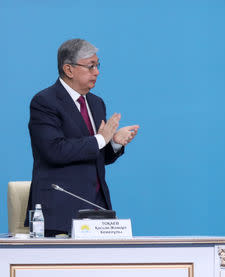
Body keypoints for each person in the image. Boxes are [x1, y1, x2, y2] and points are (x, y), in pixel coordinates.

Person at [26, 39, 139, 236]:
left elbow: (96, 155)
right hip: (59, 211)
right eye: (90, 66)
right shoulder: (44, 102)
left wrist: (113, 143)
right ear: (69, 69)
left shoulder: (96, 103)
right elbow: (54, 151)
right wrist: (101, 139)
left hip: (97, 209)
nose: (97, 72)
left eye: (97, 65)